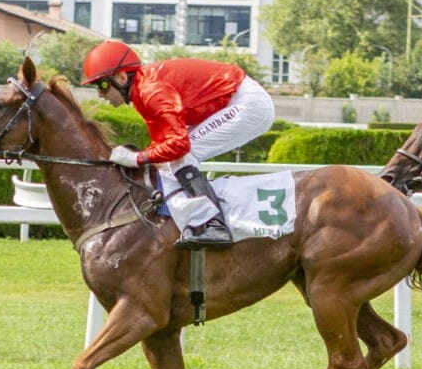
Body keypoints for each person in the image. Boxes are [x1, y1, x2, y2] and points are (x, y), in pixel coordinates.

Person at [79, 39, 275, 249]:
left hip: (248, 105)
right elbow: (161, 144)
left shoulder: (151, 91)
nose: (100, 93)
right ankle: (195, 220)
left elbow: (178, 145)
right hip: (238, 101)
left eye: (103, 84)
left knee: (181, 155)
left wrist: (137, 158)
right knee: (168, 161)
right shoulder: (142, 93)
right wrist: (143, 158)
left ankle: (211, 225)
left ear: (122, 76)